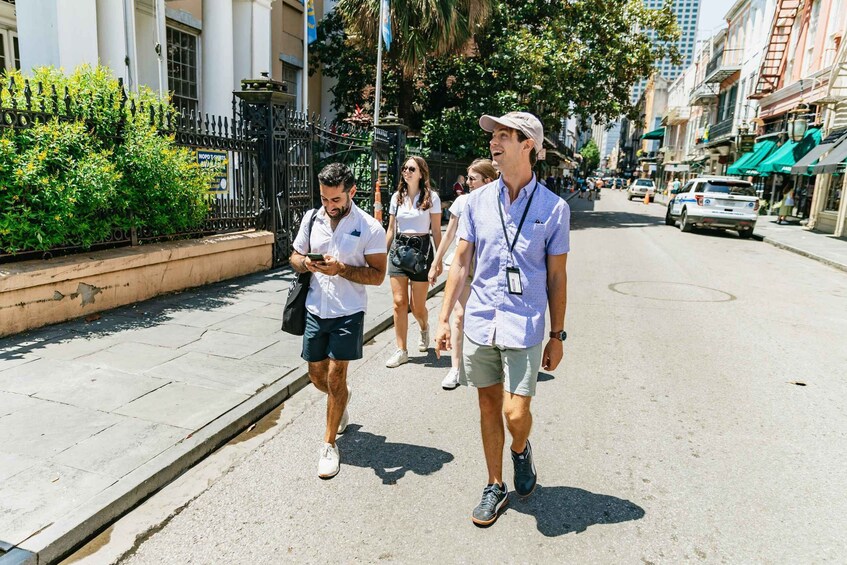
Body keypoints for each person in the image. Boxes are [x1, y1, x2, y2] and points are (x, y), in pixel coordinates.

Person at [434, 112, 570, 526]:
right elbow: (460, 263)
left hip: (524, 322)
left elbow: (557, 276)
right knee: (488, 404)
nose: (495, 142)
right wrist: (442, 319)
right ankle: (495, 485)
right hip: (479, 320)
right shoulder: (476, 201)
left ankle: (520, 450)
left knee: (515, 414)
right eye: (494, 135)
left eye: (505, 136)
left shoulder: (554, 207)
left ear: (528, 144)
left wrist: (557, 335)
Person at [290, 163, 387, 479]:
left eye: (335, 200)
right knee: (317, 377)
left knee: (335, 376)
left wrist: (342, 269)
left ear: (351, 192)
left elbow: (377, 276)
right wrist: (305, 263)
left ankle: (329, 444)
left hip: (348, 311)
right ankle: (342, 400)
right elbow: (293, 257)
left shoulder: (370, 228)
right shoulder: (311, 219)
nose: (329, 206)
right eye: (324, 199)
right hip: (316, 309)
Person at [429, 158, 498, 390]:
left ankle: (488, 363)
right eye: (467, 178)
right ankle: (455, 368)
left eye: (472, 179)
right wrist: (436, 262)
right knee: (459, 316)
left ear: (487, 181)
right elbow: (448, 235)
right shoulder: (463, 201)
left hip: (487, 268)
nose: (467, 182)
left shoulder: (499, 202)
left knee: (486, 315)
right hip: (463, 266)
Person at [385, 156, 443, 368]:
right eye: (405, 168)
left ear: (421, 173)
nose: (406, 171)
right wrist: (381, 255)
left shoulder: (431, 198)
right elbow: (391, 229)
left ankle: (424, 327)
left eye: (411, 168)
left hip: (422, 251)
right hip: (399, 251)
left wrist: (438, 260)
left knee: (417, 306)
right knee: (399, 303)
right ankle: (401, 350)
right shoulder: (396, 197)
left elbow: (436, 230)